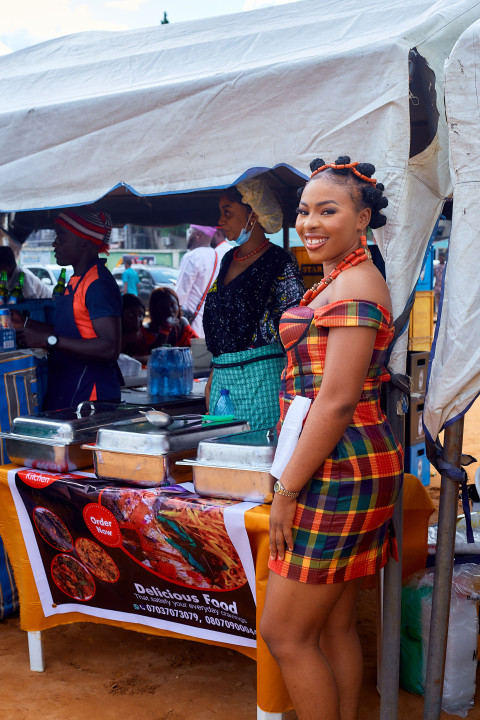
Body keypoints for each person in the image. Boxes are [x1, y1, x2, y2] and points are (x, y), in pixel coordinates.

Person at [259, 157, 403, 720]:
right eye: (303, 211)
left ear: (362, 218)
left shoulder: (359, 285)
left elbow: (338, 400)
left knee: (286, 636)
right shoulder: (340, 277)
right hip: (343, 460)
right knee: (337, 623)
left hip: (337, 469)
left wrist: (287, 492)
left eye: (328, 210)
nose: (310, 223)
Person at [203, 176, 304, 430]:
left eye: (228, 212)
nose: (220, 221)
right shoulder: (227, 259)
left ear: (253, 214)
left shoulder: (280, 262)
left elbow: (296, 330)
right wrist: (213, 376)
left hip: (263, 382)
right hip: (221, 384)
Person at [14, 206, 123, 411]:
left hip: (90, 395)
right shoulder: (77, 281)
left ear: (85, 242)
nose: (55, 243)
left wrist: (48, 340)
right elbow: (71, 333)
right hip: (70, 385)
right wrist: (24, 323)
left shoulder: (98, 284)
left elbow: (110, 348)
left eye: (62, 236)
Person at [175, 225, 219, 338]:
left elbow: (179, 297)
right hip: (211, 325)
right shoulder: (217, 256)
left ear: (198, 235)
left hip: (192, 326)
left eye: (190, 232)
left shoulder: (192, 257)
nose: (189, 236)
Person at [121, 293, 156, 363]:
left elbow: (151, 356)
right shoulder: (113, 333)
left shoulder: (142, 333)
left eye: (140, 315)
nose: (137, 320)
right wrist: (125, 340)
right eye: (131, 315)